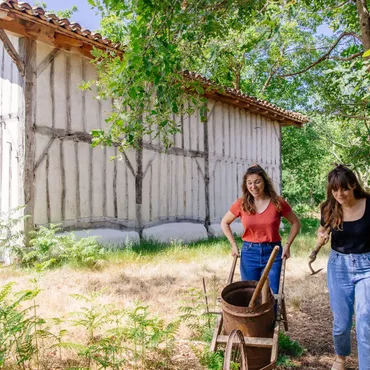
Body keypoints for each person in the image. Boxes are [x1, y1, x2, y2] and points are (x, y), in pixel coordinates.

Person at [311, 165, 370, 370]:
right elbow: (321, 230)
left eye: (344, 188)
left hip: (367, 267)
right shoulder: (329, 207)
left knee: (365, 322)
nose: (339, 194)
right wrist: (321, 238)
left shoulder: (368, 204)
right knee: (341, 324)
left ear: (353, 185)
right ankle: (341, 357)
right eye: (335, 190)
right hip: (339, 266)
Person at [221, 164, 300, 295]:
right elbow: (224, 222)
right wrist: (233, 245)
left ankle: (272, 316)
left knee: (271, 294)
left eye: (257, 182)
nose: (254, 187)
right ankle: (252, 317)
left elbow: (296, 223)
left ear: (264, 181)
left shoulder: (277, 202)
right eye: (250, 183)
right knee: (250, 293)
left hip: (273, 252)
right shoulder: (241, 204)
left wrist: (287, 245)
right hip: (249, 252)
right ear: (246, 185)